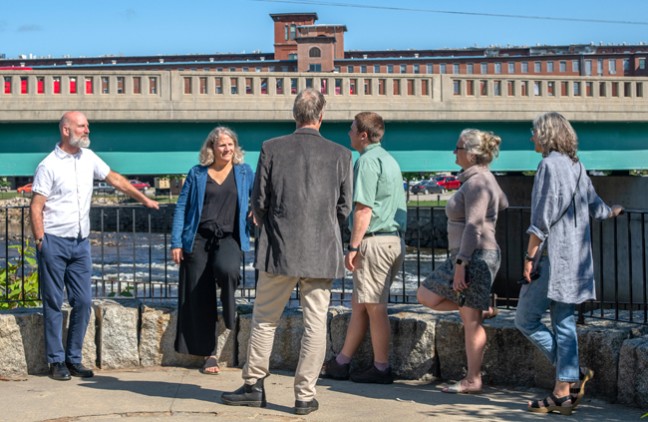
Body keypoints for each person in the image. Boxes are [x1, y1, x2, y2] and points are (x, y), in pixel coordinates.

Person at [220, 88, 353, 416]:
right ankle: (304, 396)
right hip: (321, 252)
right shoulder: (342, 155)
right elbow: (344, 207)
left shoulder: (271, 148)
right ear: (321, 117)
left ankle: (253, 386)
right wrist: (323, 227)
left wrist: (273, 225)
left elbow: (259, 202)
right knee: (315, 323)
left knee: (264, 319)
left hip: (279, 250)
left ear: (295, 115)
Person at [30, 111, 159, 381]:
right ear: (66, 130)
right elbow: (37, 206)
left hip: (80, 243)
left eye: (87, 126)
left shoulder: (88, 158)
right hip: (54, 241)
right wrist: (41, 241)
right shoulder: (48, 165)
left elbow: (114, 179)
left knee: (84, 301)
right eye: (82, 126)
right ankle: (56, 361)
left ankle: (74, 358)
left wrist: (143, 199)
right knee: (53, 302)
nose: (87, 130)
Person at [515, 112, 624, 415]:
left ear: (547, 135)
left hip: (552, 258)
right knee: (563, 324)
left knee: (525, 319)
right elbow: (598, 209)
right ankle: (564, 387)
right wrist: (615, 210)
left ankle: (567, 382)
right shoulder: (577, 166)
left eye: (535, 132)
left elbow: (542, 218)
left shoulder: (548, 166)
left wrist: (528, 258)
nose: (531, 137)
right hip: (577, 262)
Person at [417, 129, 508, 394]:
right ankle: (478, 307)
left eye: (457, 148)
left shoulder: (477, 182)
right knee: (442, 302)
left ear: (470, 153)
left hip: (474, 256)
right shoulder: (483, 178)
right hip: (477, 255)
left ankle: (472, 379)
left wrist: (461, 264)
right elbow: (503, 202)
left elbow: (473, 226)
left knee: (467, 318)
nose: (454, 153)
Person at [322, 112, 406, 384]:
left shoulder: (367, 163)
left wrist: (353, 246)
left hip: (374, 241)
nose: (348, 134)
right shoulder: (390, 160)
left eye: (351, 129)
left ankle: (382, 367)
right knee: (360, 304)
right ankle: (342, 361)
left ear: (363, 135)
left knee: (375, 307)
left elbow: (363, 208)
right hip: (393, 240)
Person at [170, 126, 254, 375]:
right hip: (197, 239)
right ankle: (210, 354)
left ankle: (229, 314)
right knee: (199, 295)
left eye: (230, 145)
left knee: (227, 270)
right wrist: (176, 242)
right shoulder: (197, 174)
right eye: (222, 145)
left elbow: (261, 194)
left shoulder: (244, 172)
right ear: (212, 148)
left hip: (228, 237)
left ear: (235, 147)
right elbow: (182, 208)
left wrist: (257, 210)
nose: (227, 149)